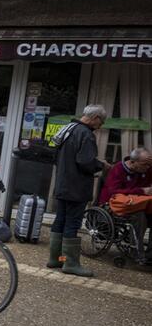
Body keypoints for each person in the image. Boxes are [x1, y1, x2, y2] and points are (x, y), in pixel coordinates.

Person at [46, 105, 112, 276]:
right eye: (101, 121)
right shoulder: (86, 134)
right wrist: (101, 165)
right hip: (77, 187)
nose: (101, 125)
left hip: (62, 183)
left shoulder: (68, 129)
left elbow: (55, 155)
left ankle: (55, 259)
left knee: (60, 220)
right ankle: (70, 263)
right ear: (95, 117)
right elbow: (85, 162)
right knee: (72, 223)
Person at [97, 147, 152, 264]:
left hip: (139, 203)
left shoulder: (147, 170)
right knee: (139, 215)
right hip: (115, 204)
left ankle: (150, 255)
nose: (148, 168)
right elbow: (113, 192)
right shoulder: (117, 169)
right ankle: (137, 252)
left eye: (149, 165)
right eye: (145, 165)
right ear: (132, 162)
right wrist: (141, 190)